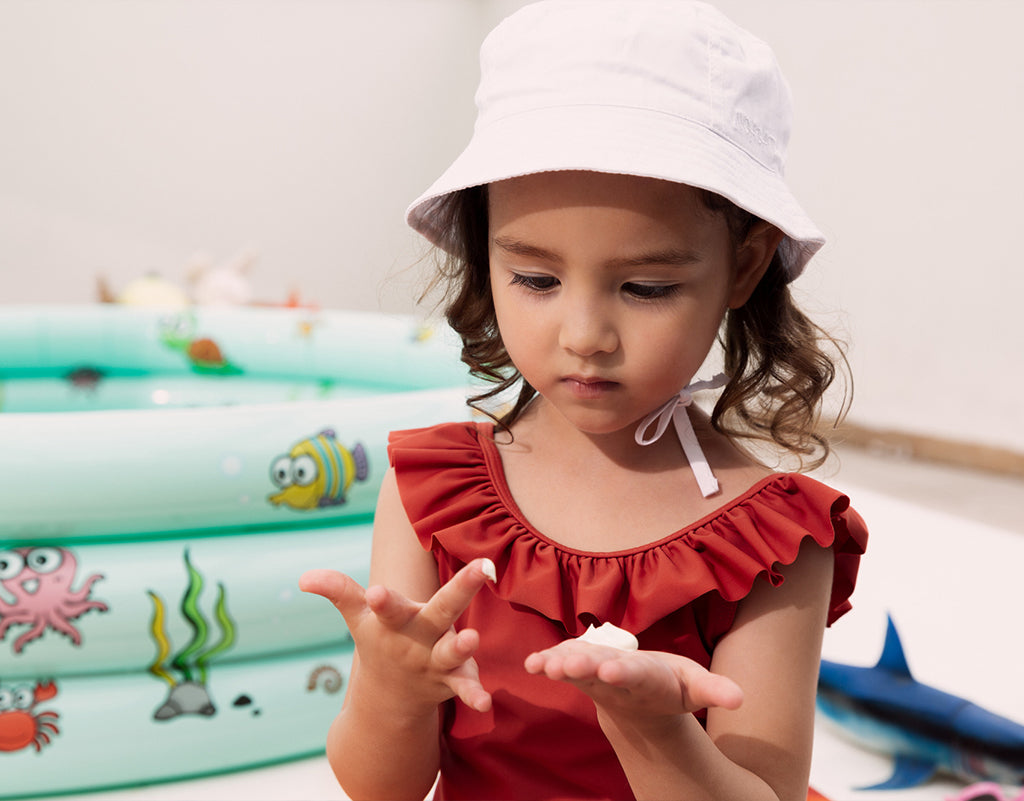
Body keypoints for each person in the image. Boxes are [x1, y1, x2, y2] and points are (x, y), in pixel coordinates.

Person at [300, 2, 869, 799]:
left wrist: (651, 726)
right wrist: (391, 689)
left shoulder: (770, 541)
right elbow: (378, 787)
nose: (585, 334)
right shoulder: (434, 492)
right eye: (535, 279)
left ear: (743, 267)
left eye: (645, 286)